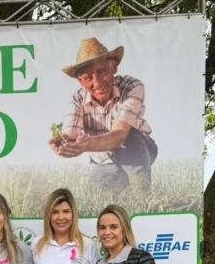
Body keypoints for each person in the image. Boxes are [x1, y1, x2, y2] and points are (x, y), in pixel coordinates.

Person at [49, 37, 157, 194]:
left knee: (131, 136)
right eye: (88, 78)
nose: (98, 83)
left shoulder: (132, 86)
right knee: (100, 197)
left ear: (113, 67)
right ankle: (122, 183)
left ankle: (142, 194)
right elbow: (72, 132)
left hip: (139, 150)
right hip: (103, 160)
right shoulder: (76, 100)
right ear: (80, 81)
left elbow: (120, 134)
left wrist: (86, 144)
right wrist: (65, 143)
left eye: (101, 72)